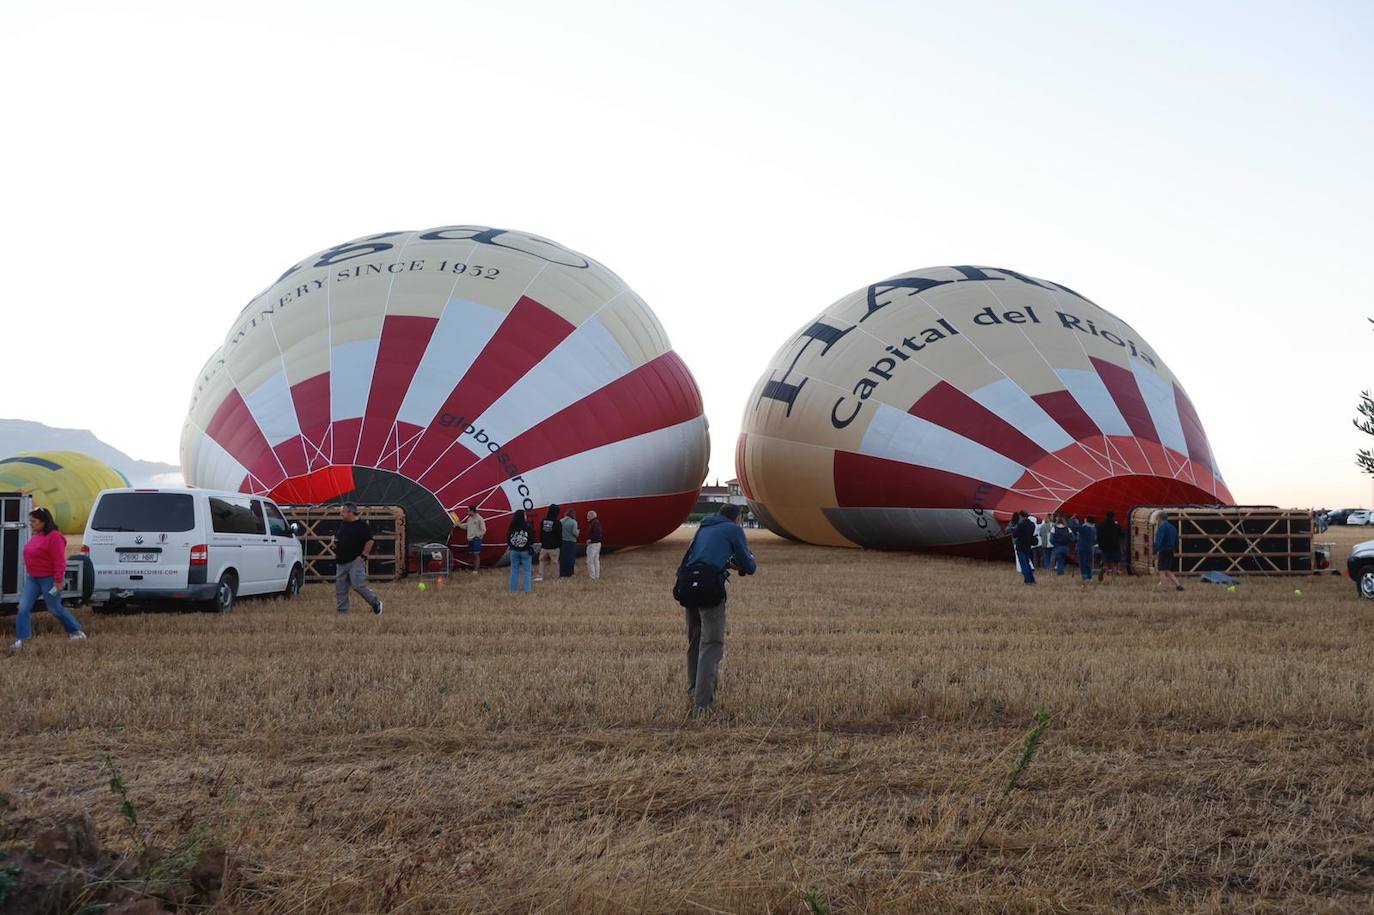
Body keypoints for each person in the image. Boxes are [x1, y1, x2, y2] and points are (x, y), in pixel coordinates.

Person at [679, 505, 756, 713]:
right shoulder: (733, 529)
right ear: (738, 518)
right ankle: (703, 706)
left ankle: (693, 690)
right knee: (711, 644)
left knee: (695, 641)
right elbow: (749, 566)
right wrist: (745, 562)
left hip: (688, 586)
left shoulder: (703, 528)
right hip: (709, 589)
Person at [8, 508, 86, 650]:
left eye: (34, 521)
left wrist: (58, 580)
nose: (30, 523)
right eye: (30, 520)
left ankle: (76, 632)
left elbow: (59, 561)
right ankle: (22, 640)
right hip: (33, 579)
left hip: (49, 580)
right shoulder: (37, 535)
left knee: (54, 608)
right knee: (23, 607)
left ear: (44, 522)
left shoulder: (55, 537)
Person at [333, 502, 382, 614]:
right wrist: (334, 542)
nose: (341, 514)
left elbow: (370, 541)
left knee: (357, 585)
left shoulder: (362, 526)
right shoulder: (341, 524)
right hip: (341, 560)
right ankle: (342, 612)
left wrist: (363, 556)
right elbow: (336, 536)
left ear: (350, 512)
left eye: (343, 512)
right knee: (340, 588)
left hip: (355, 560)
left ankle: (375, 602)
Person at [505, 509, 534, 594]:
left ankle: (513, 589)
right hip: (525, 551)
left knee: (514, 570)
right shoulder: (528, 526)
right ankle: (527, 589)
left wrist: (512, 546)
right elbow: (531, 539)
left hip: (514, 551)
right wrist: (528, 545)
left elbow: (508, 538)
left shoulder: (512, 527)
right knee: (527, 571)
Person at [1155, 512, 1184, 591]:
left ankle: (1164, 589)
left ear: (1160, 518)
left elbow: (1159, 540)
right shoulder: (1173, 527)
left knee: (1161, 571)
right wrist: (1174, 549)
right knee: (1167, 570)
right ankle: (1179, 586)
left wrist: (1155, 550)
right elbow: (1176, 540)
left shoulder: (1162, 527)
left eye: (1157, 519)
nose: (1157, 520)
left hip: (1163, 550)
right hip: (1171, 550)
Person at [535, 504, 561, 582]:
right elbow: (559, 535)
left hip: (544, 546)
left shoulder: (543, 521)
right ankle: (555, 577)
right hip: (554, 547)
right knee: (554, 563)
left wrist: (542, 542)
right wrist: (559, 544)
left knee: (542, 561)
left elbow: (541, 533)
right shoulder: (557, 522)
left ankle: (540, 576)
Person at [1097, 511, 1124, 582]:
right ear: (1114, 517)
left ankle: (1104, 570)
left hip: (1104, 547)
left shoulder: (1101, 525)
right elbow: (1122, 535)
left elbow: (1099, 537)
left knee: (1106, 562)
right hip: (1115, 547)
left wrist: (1100, 546)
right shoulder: (1117, 526)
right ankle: (1113, 579)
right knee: (1114, 564)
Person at [1012, 511, 1037, 584]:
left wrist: (1015, 529)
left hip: (1020, 546)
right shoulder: (1032, 525)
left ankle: (1028, 581)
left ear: (1021, 516)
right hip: (1028, 546)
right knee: (1028, 563)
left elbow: (1015, 535)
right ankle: (1032, 580)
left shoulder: (1021, 525)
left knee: (1024, 565)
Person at [463, 505, 487, 574]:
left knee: (476, 554)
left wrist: (478, 536)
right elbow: (466, 527)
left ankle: (476, 570)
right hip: (470, 539)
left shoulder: (479, 519)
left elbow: (484, 530)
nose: (467, 512)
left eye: (468, 511)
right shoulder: (469, 519)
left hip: (476, 539)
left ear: (472, 511)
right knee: (472, 554)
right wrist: (458, 524)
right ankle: (474, 568)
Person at [1075, 515, 1098, 583]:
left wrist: (1074, 521)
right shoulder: (1094, 529)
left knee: (1082, 562)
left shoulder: (1084, 528)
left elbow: (1074, 527)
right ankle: (1089, 576)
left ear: (1087, 520)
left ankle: (1084, 577)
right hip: (1090, 547)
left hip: (1082, 547)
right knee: (1088, 563)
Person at [559, 508, 579, 578]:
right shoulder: (573, 522)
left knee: (563, 558)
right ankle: (570, 573)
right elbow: (574, 533)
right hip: (571, 542)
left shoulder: (561, 521)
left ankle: (562, 573)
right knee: (571, 558)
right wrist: (578, 532)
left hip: (562, 542)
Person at [586, 510, 604, 580]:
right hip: (597, 544)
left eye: (588, 516)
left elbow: (598, 534)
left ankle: (592, 577)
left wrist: (591, 539)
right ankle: (597, 576)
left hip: (594, 544)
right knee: (596, 560)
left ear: (592, 516)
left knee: (590, 561)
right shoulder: (595, 522)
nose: (587, 517)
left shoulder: (595, 523)